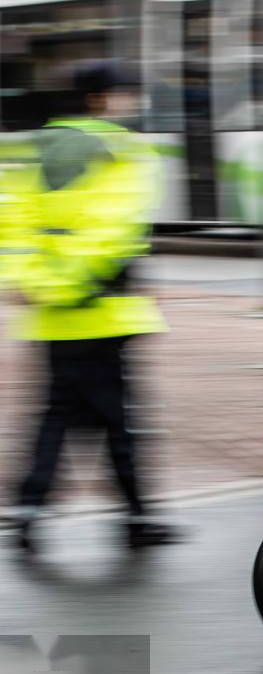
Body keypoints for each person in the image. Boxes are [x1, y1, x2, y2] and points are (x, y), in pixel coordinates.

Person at [0, 60, 178, 551]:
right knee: (117, 422)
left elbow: (11, 225)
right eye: (125, 94)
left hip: (51, 317)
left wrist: (41, 284)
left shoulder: (34, 149)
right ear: (100, 99)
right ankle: (137, 518)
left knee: (58, 414)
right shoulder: (120, 151)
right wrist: (76, 283)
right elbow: (115, 230)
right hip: (101, 311)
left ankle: (30, 507)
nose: (132, 104)